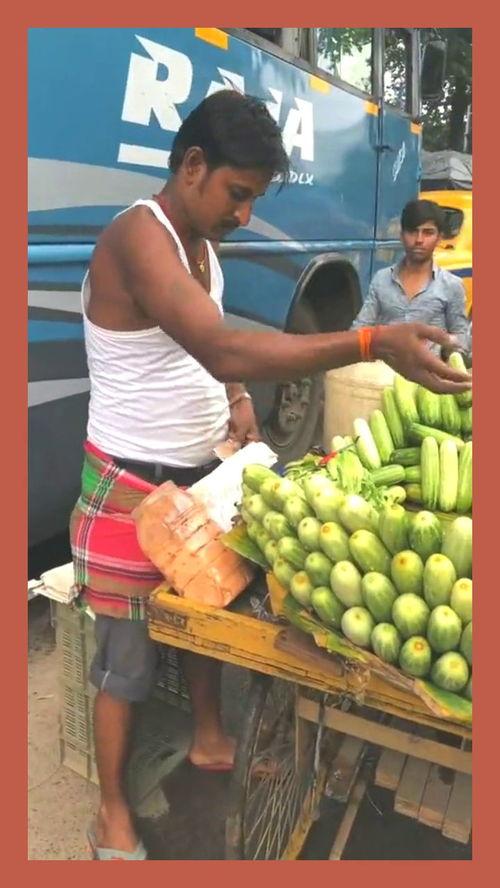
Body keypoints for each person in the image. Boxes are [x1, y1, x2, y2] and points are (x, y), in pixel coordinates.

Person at [70, 90, 470, 860]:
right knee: (124, 659)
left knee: (210, 612)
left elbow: (204, 348)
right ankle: (112, 810)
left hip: (196, 475)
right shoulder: (136, 238)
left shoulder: (200, 247)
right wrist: (369, 342)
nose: (245, 215)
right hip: (129, 482)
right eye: (238, 194)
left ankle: (212, 737)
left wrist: (238, 398)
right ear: (193, 166)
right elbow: (220, 343)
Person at [351, 199, 470, 357]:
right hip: (382, 374)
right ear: (402, 235)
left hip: (429, 376)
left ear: (439, 238)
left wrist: (446, 348)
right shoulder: (382, 279)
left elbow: (461, 340)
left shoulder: (451, 285)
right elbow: (360, 329)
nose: (419, 240)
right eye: (413, 231)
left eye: (428, 233)